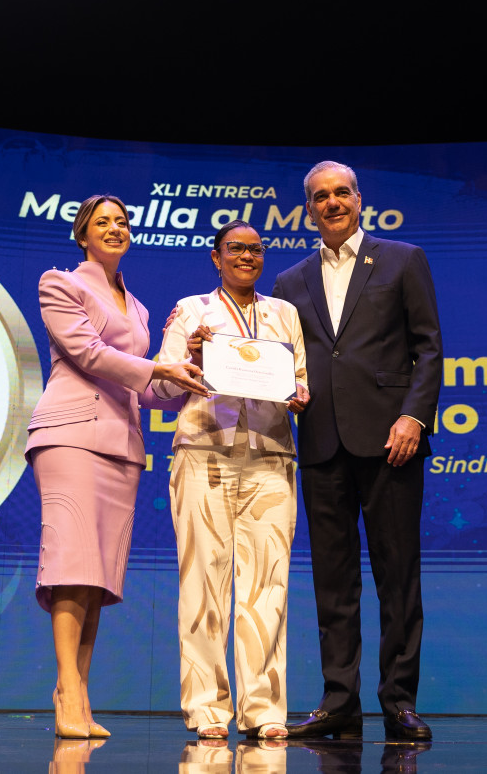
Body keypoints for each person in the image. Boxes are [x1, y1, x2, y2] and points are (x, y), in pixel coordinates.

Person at [26, 194, 210, 740]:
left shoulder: (140, 308)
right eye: (102, 222)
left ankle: (80, 691)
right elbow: (88, 353)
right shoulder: (60, 284)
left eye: (122, 222)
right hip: (71, 436)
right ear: (83, 234)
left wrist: (188, 368)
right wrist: (158, 368)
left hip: (122, 444)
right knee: (71, 566)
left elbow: (147, 390)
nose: (114, 229)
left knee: (97, 578)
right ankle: (67, 690)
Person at [271, 161, 443, 741]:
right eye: (321, 196)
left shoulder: (403, 259)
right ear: (309, 210)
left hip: (393, 441)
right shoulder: (290, 282)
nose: (333, 202)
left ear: (359, 199)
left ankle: (399, 702)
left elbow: (429, 347)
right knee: (333, 581)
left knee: (398, 577)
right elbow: (282, 361)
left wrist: (413, 416)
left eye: (341, 192)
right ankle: (339, 701)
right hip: (321, 443)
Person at [151, 221, 310, 741]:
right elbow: (159, 388)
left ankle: (264, 710)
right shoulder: (191, 310)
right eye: (235, 249)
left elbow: (300, 380)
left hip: (270, 455)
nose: (247, 256)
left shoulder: (283, 313)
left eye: (255, 249)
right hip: (203, 452)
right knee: (203, 582)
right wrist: (191, 360)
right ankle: (207, 709)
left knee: (268, 585)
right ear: (216, 257)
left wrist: (299, 395)